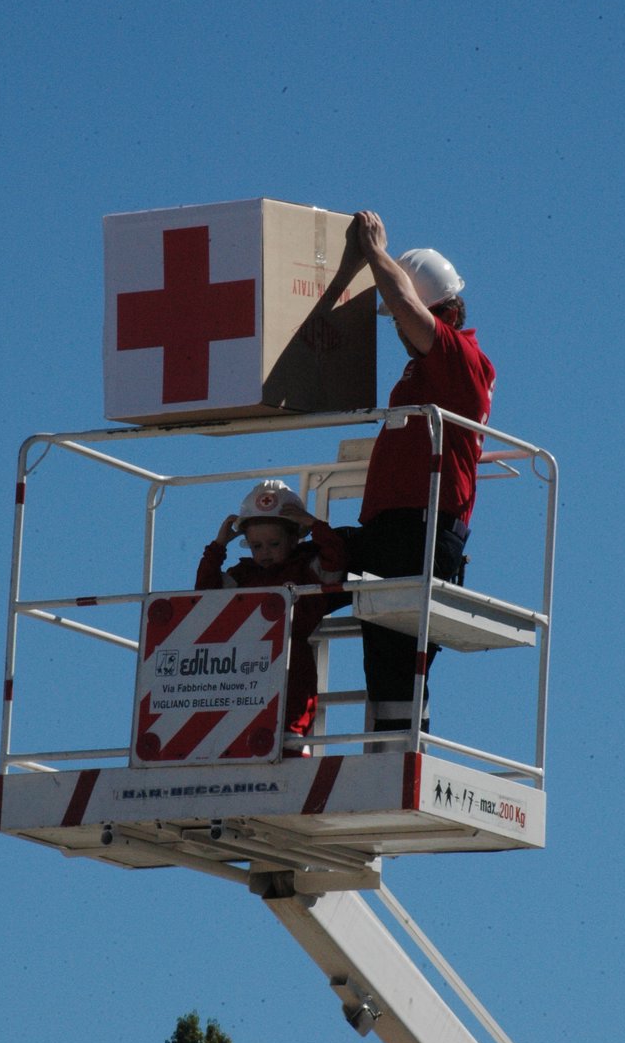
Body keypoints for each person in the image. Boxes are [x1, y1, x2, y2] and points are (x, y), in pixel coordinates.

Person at [346, 210, 496, 744]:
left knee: (397, 655)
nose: (401, 331)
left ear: (447, 312)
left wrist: (374, 252)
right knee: (380, 647)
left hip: (421, 527)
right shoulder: (430, 369)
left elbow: (408, 308)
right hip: (397, 527)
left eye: (409, 320)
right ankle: (389, 747)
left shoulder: (460, 357)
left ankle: (397, 754)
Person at [195, 480, 346, 753]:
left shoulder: (308, 568)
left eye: (273, 544)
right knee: (238, 739)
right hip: (242, 669)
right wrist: (218, 546)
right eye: (256, 546)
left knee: (291, 741)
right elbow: (206, 597)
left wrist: (313, 524)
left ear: (294, 538)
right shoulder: (242, 576)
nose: (264, 553)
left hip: (293, 666)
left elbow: (336, 557)